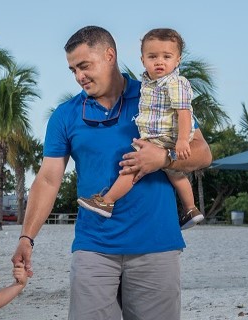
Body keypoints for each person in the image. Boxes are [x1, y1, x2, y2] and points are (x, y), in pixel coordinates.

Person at [12, 26, 211, 320]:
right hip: (94, 241)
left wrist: (164, 158)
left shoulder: (156, 92)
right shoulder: (66, 115)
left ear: (109, 54)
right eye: (72, 69)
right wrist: (27, 236)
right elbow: (48, 178)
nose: (79, 75)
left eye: (85, 65)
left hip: (156, 241)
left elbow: (202, 154)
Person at [77, 28, 204, 230]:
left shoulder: (175, 83)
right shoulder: (148, 83)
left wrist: (180, 141)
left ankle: (107, 201)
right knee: (176, 175)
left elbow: (184, 112)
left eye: (167, 56)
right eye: (152, 56)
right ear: (143, 60)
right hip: (158, 135)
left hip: (162, 137)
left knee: (132, 167)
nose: (159, 62)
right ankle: (191, 209)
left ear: (178, 60)